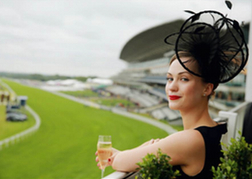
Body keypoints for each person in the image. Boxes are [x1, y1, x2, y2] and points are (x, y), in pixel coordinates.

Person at [95, 10, 248, 179]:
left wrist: (138, 149)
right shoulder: (214, 129)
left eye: (183, 79)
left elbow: (119, 162)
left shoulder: (190, 140)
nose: (171, 87)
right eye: (169, 79)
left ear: (207, 88)